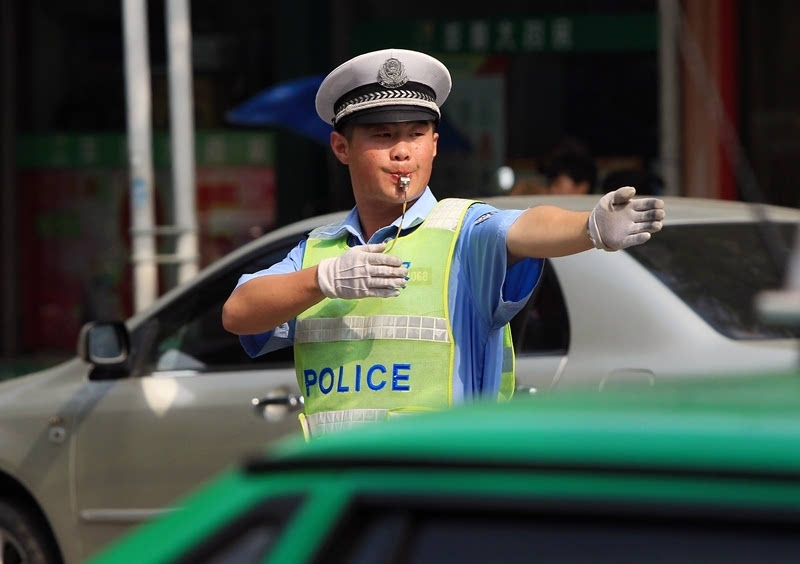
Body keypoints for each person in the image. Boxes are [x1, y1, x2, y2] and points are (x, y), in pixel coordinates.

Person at [222, 48, 665, 439]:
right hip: (346, 495)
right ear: (341, 147)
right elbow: (238, 312)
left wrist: (588, 227)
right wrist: (322, 280)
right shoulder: (320, 250)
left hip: (439, 492)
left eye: (416, 134)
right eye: (382, 136)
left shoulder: (466, 230)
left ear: (434, 145)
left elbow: (526, 227)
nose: (402, 152)